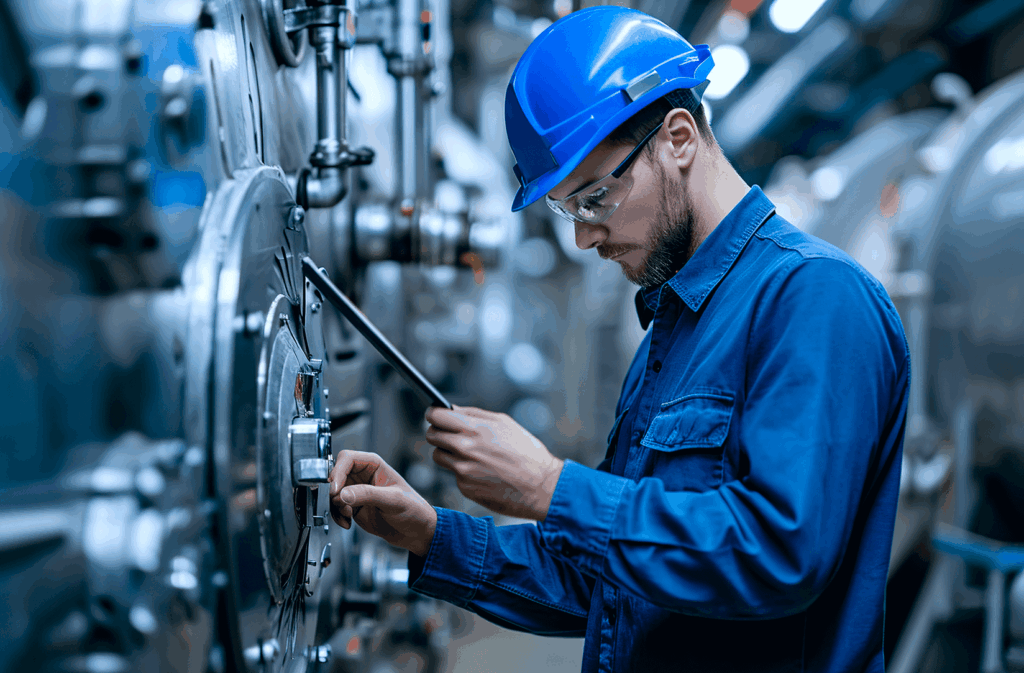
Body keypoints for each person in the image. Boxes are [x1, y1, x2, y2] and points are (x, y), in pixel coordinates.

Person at [328, 7, 909, 672]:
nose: (583, 236)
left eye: (594, 199)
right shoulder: (675, 323)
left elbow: (780, 553)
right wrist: (432, 535)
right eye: (566, 209)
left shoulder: (813, 299)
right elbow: (612, 575)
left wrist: (550, 485)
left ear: (680, 138)